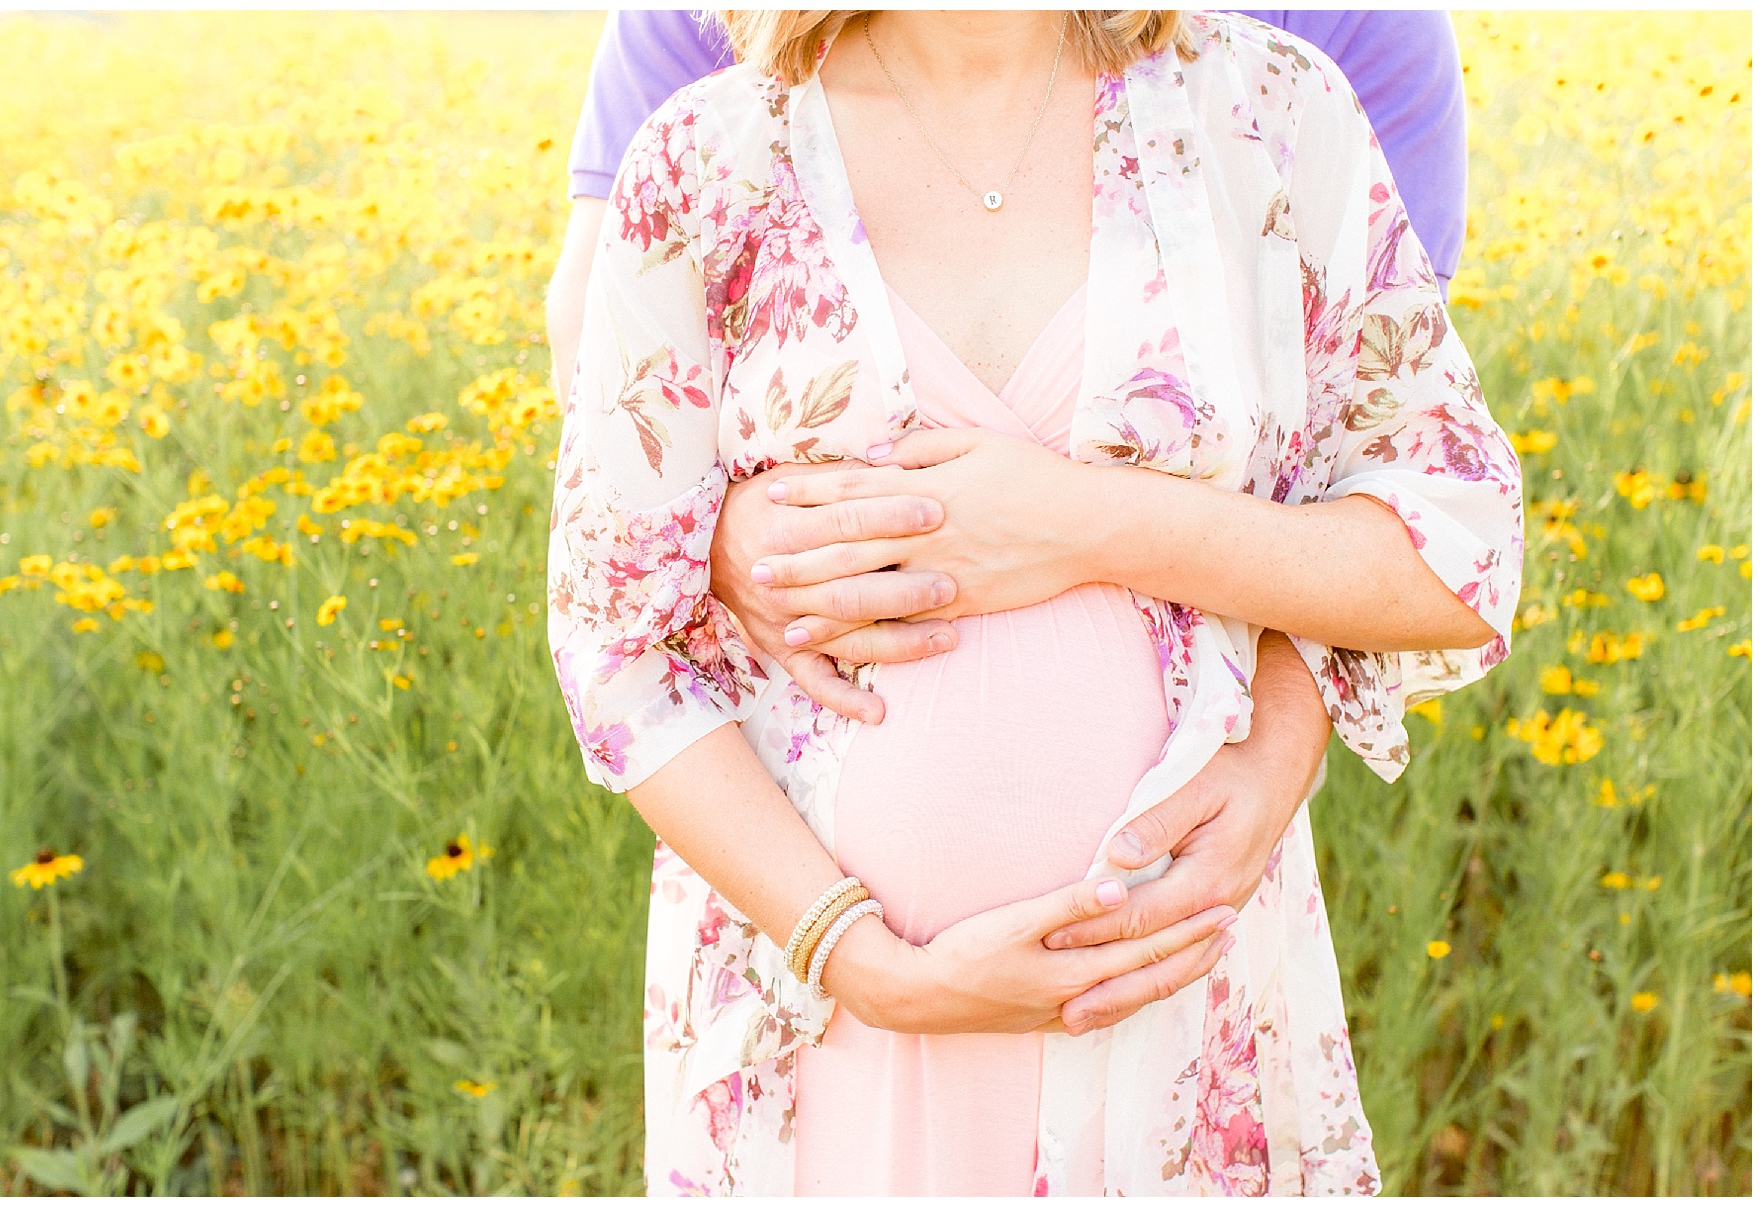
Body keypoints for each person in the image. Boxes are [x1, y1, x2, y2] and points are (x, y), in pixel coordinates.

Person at [546, 8, 1521, 1196]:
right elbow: (618, 651)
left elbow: (1456, 549)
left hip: (1180, 1035)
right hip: (820, 1045)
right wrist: (862, 962)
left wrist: (1083, 524)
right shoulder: (704, 161)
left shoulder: (1269, 111)